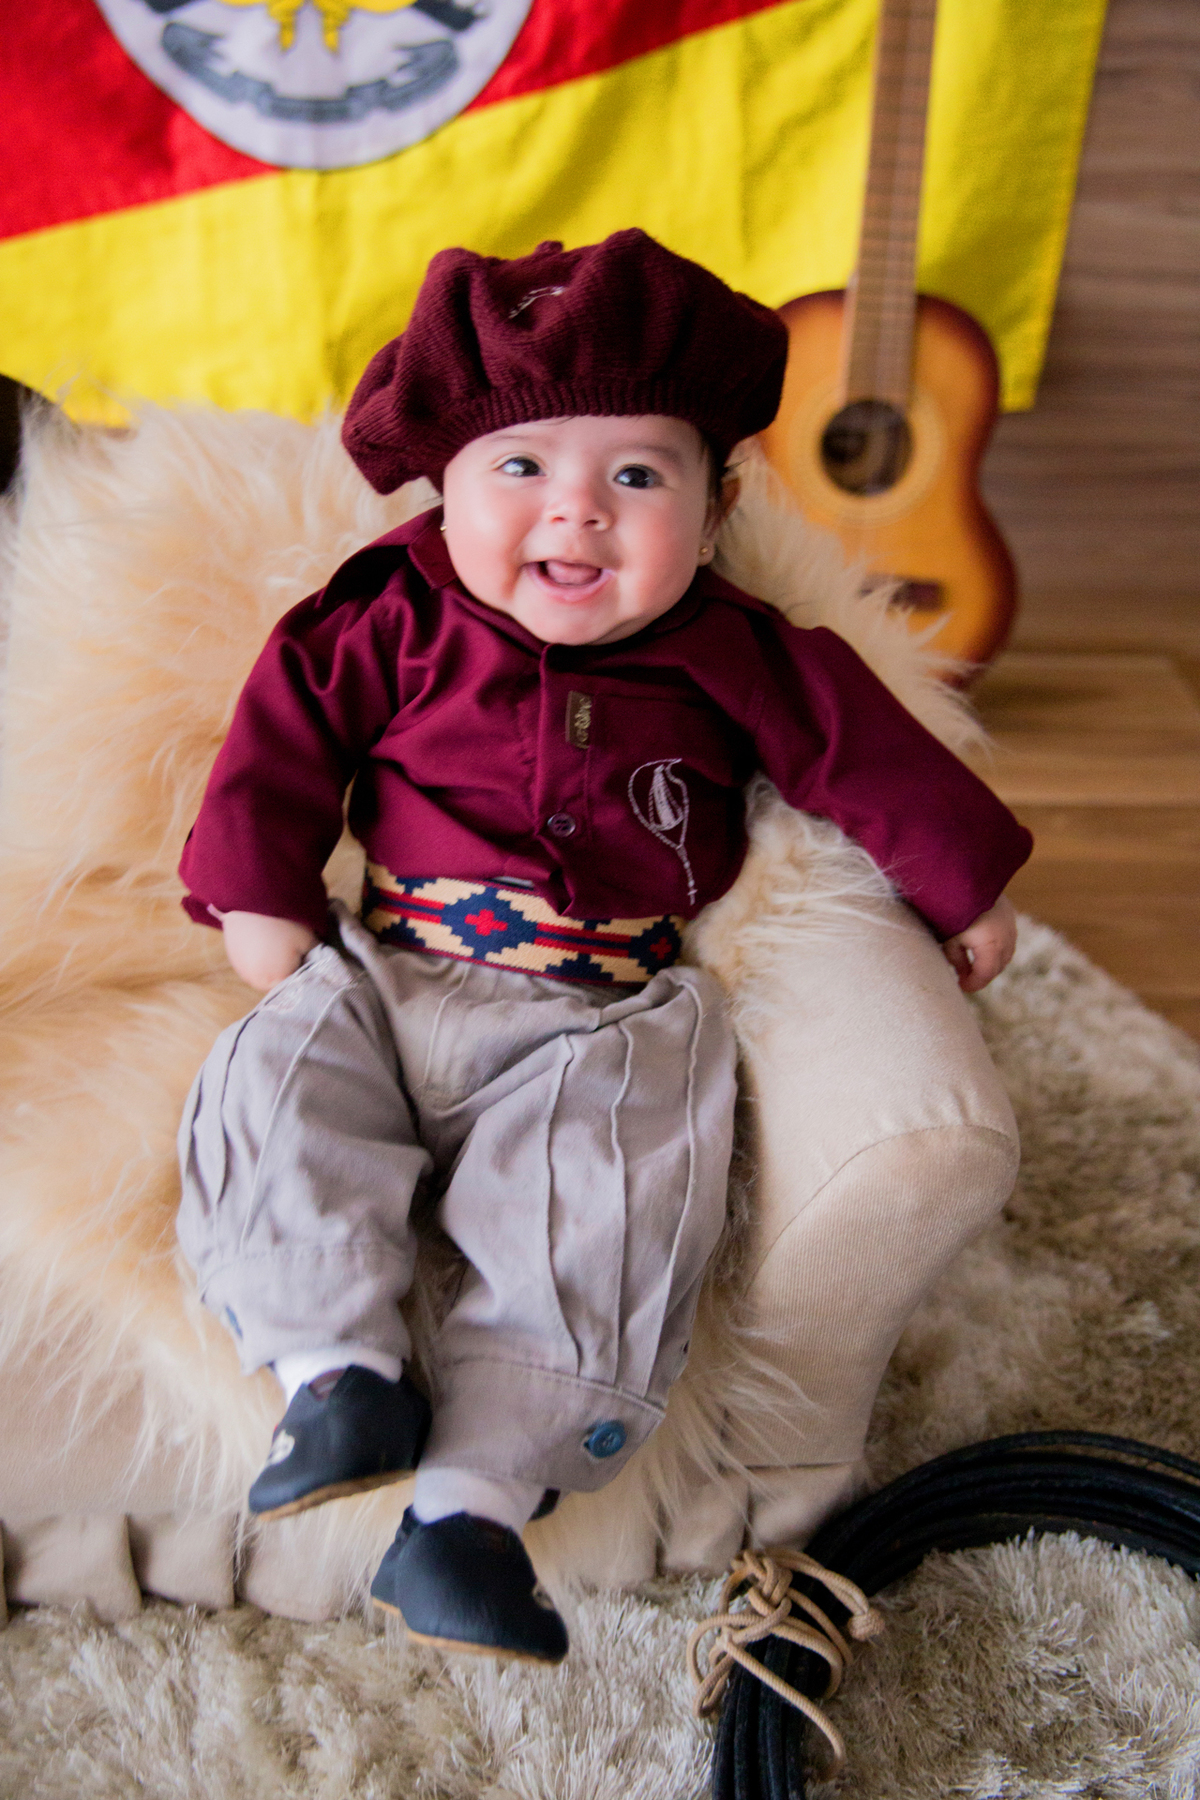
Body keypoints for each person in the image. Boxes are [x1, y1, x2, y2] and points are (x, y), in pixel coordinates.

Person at [176, 229, 1031, 1664]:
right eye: (521, 468)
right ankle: (337, 1375)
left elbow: (864, 755)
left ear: (718, 503)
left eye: (636, 477)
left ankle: (469, 1513)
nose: (575, 512)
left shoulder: (737, 647)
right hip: (390, 974)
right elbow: (281, 740)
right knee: (274, 1082)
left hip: (600, 1014)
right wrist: (259, 893)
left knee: (609, 1206)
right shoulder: (385, 614)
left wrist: (962, 886)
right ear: (442, 490)